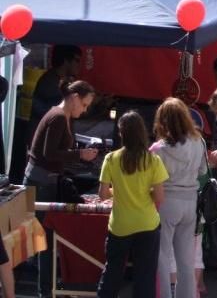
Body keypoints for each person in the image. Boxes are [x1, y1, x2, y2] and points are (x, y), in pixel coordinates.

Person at [25, 80, 99, 298]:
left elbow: (57, 153)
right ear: (74, 97)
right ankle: (45, 290)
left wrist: (80, 157)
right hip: (41, 182)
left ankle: (46, 287)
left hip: (44, 180)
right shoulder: (58, 116)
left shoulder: (61, 116)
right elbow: (49, 153)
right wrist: (79, 155)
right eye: (84, 105)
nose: (84, 110)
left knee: (43, 237)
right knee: (43, 237)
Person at [95, 111, 167, 298]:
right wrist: (143, 193)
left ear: (121, 133)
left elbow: (102, 195)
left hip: (120, 225)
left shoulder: (110, 159)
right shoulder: (153, 160)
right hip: (147, 224)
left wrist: (117, 191)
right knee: (145, 277)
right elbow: (160, 198)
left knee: (112, 274)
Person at [151, 98, 206, 298]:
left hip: (165, 202)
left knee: (163, 257)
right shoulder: (198, 141)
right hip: (190, 201)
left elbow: (150, 179)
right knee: (186, 260)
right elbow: (203, 171)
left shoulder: (157, 149)